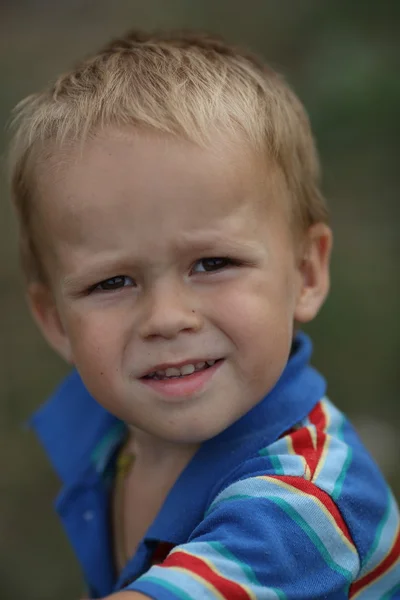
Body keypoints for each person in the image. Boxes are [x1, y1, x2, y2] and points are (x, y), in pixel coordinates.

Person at [8, 29, 400, 600]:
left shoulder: (304, 507)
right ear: (55, 321)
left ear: (306, 274)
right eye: (112, 281)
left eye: (212, 263)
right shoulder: (107, 422)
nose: (166, 318)